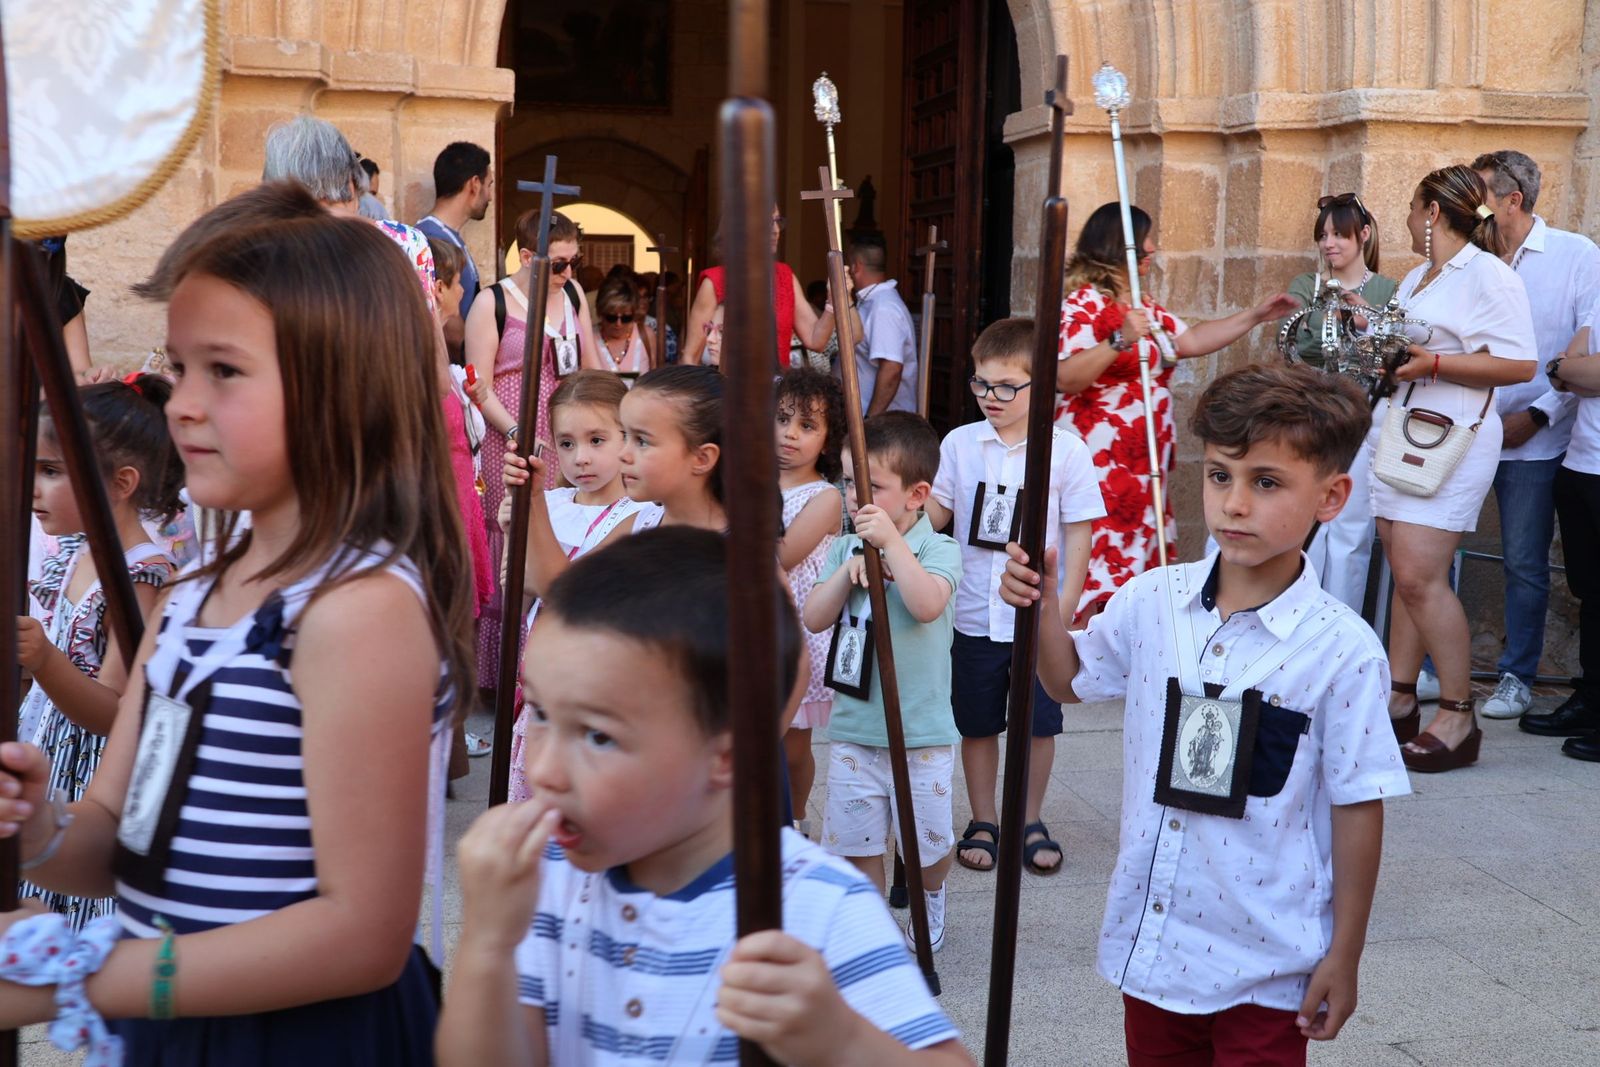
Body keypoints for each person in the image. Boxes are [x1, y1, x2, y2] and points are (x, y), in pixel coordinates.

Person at [0, 198, 472, 1062]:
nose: (180, 404)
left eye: (224, 370)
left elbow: (363, 931)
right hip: (179, 1020)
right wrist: (37, 829)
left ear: (342, 385)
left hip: (297, 1038)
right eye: (180, 368)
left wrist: (84, 977)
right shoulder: (189, 597)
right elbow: (117, 833)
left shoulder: (358, 608)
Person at [1001, 362, 1409, 1066]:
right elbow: (1067, 680)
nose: (1235, 503)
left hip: (1267, 964)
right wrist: (1040, 611)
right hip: (1155, 944)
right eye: (1220, 475)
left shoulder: (1344, 651)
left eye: (1266, 481)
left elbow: (1356, 805)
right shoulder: (1152, 600)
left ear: (1332, 495)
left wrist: (1346, 952)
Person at [438, 528, 968, 1065]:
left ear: (727, 753)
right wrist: (487, 947)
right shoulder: (541, 884)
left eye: (598, 735)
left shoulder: (815, 907)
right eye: (542, 714)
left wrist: (843, 1041)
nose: (545, 770)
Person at [1057, 201, 1298, 621]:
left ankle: (1126, 638)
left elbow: (1190, 341)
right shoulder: (1084, 304)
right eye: (1145, 240)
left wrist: (1256, 316)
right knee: (1097, 547)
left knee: (1137, 550)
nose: (1153, 248)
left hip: (1143, 460)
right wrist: (1119, 339)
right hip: (1101, 461)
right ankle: (1080, 645)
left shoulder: (1144, 305)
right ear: (1120, 245)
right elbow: (1065, 376)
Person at [923, 319, 1102, 876]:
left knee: (1037, 724)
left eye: (1006, 387)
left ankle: (1028, 816)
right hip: (973, 611)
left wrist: (1063, 608)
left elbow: (1078, 532)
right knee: (976, 722)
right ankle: (983, 818)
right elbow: (936, 516)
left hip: (1034, 616)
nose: (990, 398)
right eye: (980, 385)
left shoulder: (1066, 451)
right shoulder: (958, 444)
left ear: (1040, 385)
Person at [1372, 165, 1537, 772]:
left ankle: (1459, 713)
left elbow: (1521, 365)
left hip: (1457, 433)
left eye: (1415, 208)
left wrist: (1433, 364)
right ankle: (1400, 696)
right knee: (1403, 567)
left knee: (1420, 574)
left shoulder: (1488, 275)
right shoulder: (1418, 275)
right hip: (1405, 427)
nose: (1410, 220)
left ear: (1433, 213)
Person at [16, 377, 181, 929]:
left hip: (92, 779)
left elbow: (115, 710)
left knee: (78, 921)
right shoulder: (77, 551)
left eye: (51, 472)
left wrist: (43, 661)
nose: (33, 489)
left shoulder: (137, 577)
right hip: (49, 746)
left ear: (121, 483)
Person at [803, 413, 962, 952]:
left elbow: (926, 604)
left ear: (917, 495)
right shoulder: (843, 548)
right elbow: (814, 616)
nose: (853, 496)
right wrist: (846, 576)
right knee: (856, 842)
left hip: (919, 729)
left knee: (927, 841)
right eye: (848, 481)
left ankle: (930, 893)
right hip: (856, 725)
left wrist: (893, 548)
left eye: (870, 486)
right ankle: (874, 933)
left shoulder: (937, 549)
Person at [1468, 151, 1600, 720]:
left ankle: (1517, 677)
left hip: (1536, 439)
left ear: (1511, 200)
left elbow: (1583, 352)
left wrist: (1539, 415)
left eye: (1477, 196)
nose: (1467, 208)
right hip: (1466, 431)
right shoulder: (1470, 256)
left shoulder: (1575, 255)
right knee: (1434, 549)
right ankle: (1423, 668)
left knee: (1524, 560)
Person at [464, 209, 596, 689]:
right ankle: (500, 674)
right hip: (511, 437)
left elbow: (590, 360)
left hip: (568, 433)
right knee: (512, 534)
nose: (568, 274)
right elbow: (478, 385)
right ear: (527, 257)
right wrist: (519, 429)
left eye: (573, 263)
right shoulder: (491, 302)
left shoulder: (573, 294)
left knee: (559, 531)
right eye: (559, 265)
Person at [499, 371, 644, 801]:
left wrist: (534, 508)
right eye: (566, 443)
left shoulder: (641, 515)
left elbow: (566, 590)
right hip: (542, 679)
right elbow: (520, 593)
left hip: (599, 688)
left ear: (627, 438)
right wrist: (513, 534)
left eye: (597, 441)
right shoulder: (555, 504)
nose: (580, 457)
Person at [1283, 193, 1399, 615]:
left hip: (1365, 417)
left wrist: (1369, 322)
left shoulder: (1387, 289)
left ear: (1363, 235)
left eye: (1340, 234)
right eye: (1324, 235)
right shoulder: (1306, 286)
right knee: (1306, 522)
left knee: (1351, 529)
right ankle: (1298, 619)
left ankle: (1339, 627)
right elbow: (1301, 342)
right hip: (1311, 416)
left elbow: (1391, 351)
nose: (1329, 243)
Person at [774, 368, 846, 827]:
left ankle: (795, 818)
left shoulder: (825, 498)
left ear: (828, 439)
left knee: (793, 743)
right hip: (749, 620)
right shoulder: (749, 480)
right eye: (782, 419)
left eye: (807, 426)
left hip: (800, 629)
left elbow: (782, 554)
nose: (790, 434)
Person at [1537, 321, 1600, 755]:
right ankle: (1592, 701)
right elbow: (1561, 373)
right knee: (1591, 594)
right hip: (1581, 462)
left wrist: (1571, 367)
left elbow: (1574, 369)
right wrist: (1569, 367)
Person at [682, 205, 839, 368]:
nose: (776, 230)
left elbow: (816, 340)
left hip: (776, 389)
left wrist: (833, 300)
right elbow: (690, 357)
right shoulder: (715, 281)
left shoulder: (785, 276)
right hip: (727, 389)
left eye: (777, 221)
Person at [619, 364, 729, 533]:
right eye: (625, 436)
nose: (623, 455)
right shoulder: (643, 520)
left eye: (642, 441)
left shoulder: (739, 553)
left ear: (702, 459)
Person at [417, 141, 493, 321]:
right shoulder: (432, 238)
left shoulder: (448, 235)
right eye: (489, 185)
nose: (491, 196)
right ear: (474, 184)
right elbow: (448, 322)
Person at [848, 233, 919, 415]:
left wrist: (871, 421)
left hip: (883, 427)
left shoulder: (884, 308)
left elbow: (892, 370)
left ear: (856, 267)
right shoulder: (871, 302)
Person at [592, 272, 653, 380]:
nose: (618, 324)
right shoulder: (590, 339)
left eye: (626, 318)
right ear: (600, 313)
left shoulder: (646, 336)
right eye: (611, 318)